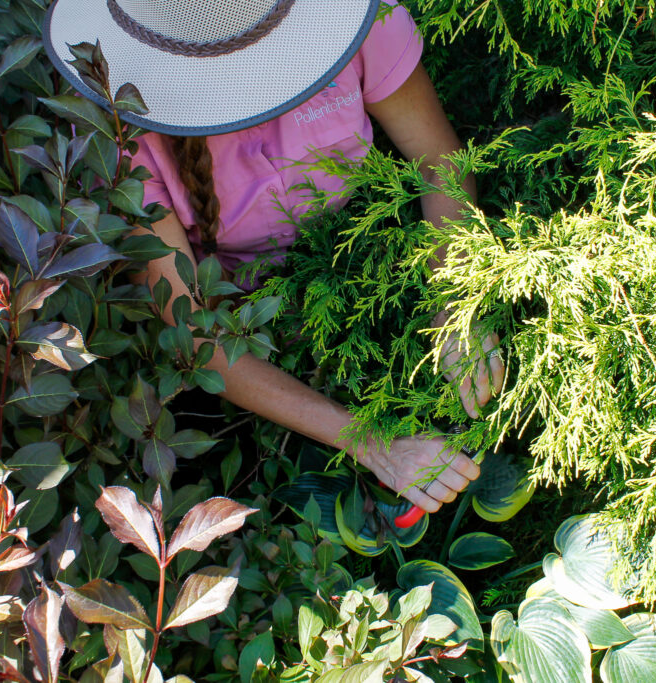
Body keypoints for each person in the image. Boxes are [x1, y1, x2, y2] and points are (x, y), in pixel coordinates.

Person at [42, 0, 504, 514]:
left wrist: (451, 307)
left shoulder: (360, 21)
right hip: (254, 335)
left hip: (370, 257)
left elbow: (439, 161)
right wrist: (373, 444)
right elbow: (195, 334)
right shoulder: (123, 129)